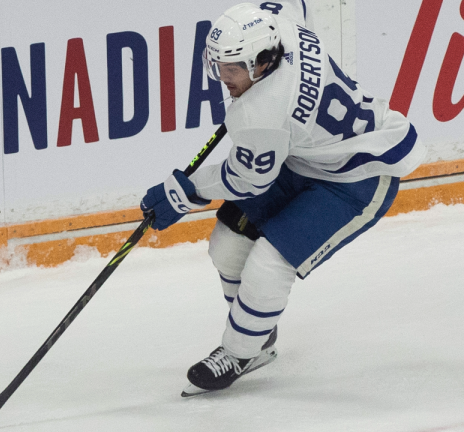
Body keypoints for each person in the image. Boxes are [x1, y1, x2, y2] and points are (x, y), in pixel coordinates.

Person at [141, 1, 426, 396]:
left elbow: (245, 182)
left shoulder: (263, 113)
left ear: (261, 62)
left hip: (359, 177)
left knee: (267, 266)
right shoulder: (278, 24)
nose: (223, 77)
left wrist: (184, 192)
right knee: (225, 247)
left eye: (233, 69)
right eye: (218, 66)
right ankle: (258, 329)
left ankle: (241, 351)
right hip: (302, 157)